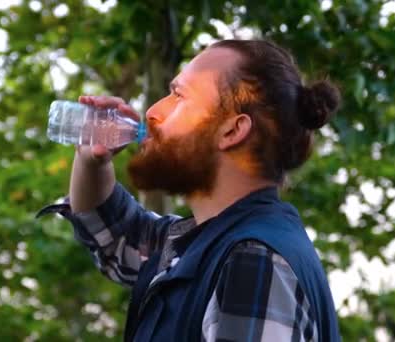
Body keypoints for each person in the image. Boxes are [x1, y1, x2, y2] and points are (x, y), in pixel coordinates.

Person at [38, 39, 341, 341]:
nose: (153, 112)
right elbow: (114, 235)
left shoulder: (253, 262)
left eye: (178, 96)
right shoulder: (201, 242)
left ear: (232, 130)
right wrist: (93, 160)